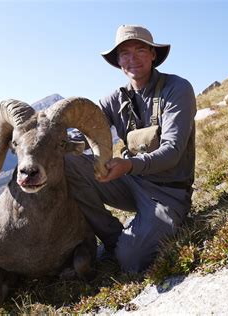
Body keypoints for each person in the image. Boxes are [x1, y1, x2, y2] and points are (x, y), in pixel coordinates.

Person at [65, 25, 196, 273]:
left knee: (130, 260)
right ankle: (113, 237)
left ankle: (142, 237)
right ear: (118, 60)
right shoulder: (113, 100)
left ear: (153, 54)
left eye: (140, 50)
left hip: (168, 192)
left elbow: (173, 150)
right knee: (67, 163)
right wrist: (58, 140)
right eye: (124, 53)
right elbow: (86, 134)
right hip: (131, 182)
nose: (132, 59)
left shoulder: (177, 90)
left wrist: (128, 165)